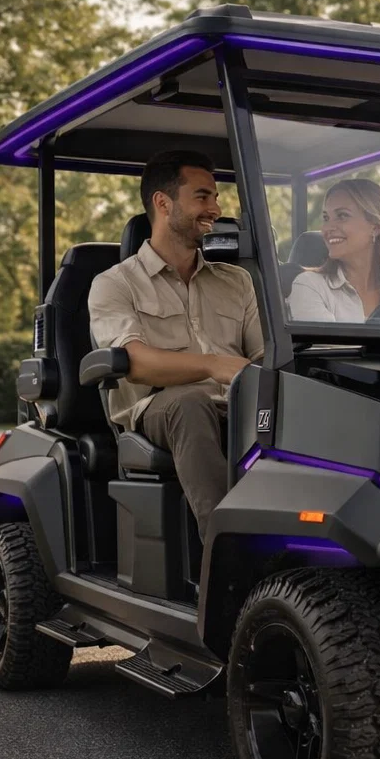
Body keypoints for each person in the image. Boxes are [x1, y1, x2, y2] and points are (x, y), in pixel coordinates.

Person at [88, 150, 261, 527]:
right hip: (161, 409)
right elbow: (135, 363)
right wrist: (212, 365)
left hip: (238, 404)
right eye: (203, 196)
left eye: (216, 197)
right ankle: (227, 546)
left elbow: (266, 358)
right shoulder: (115, 283)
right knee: (190, 402)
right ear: (163, 203)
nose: (216, 209)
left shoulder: (237, 281)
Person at [287, 178, 380, 321]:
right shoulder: (310, 285)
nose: (327, 228)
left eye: (342, 216)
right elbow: (323, 337)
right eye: (326, 218)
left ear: (376, 228)